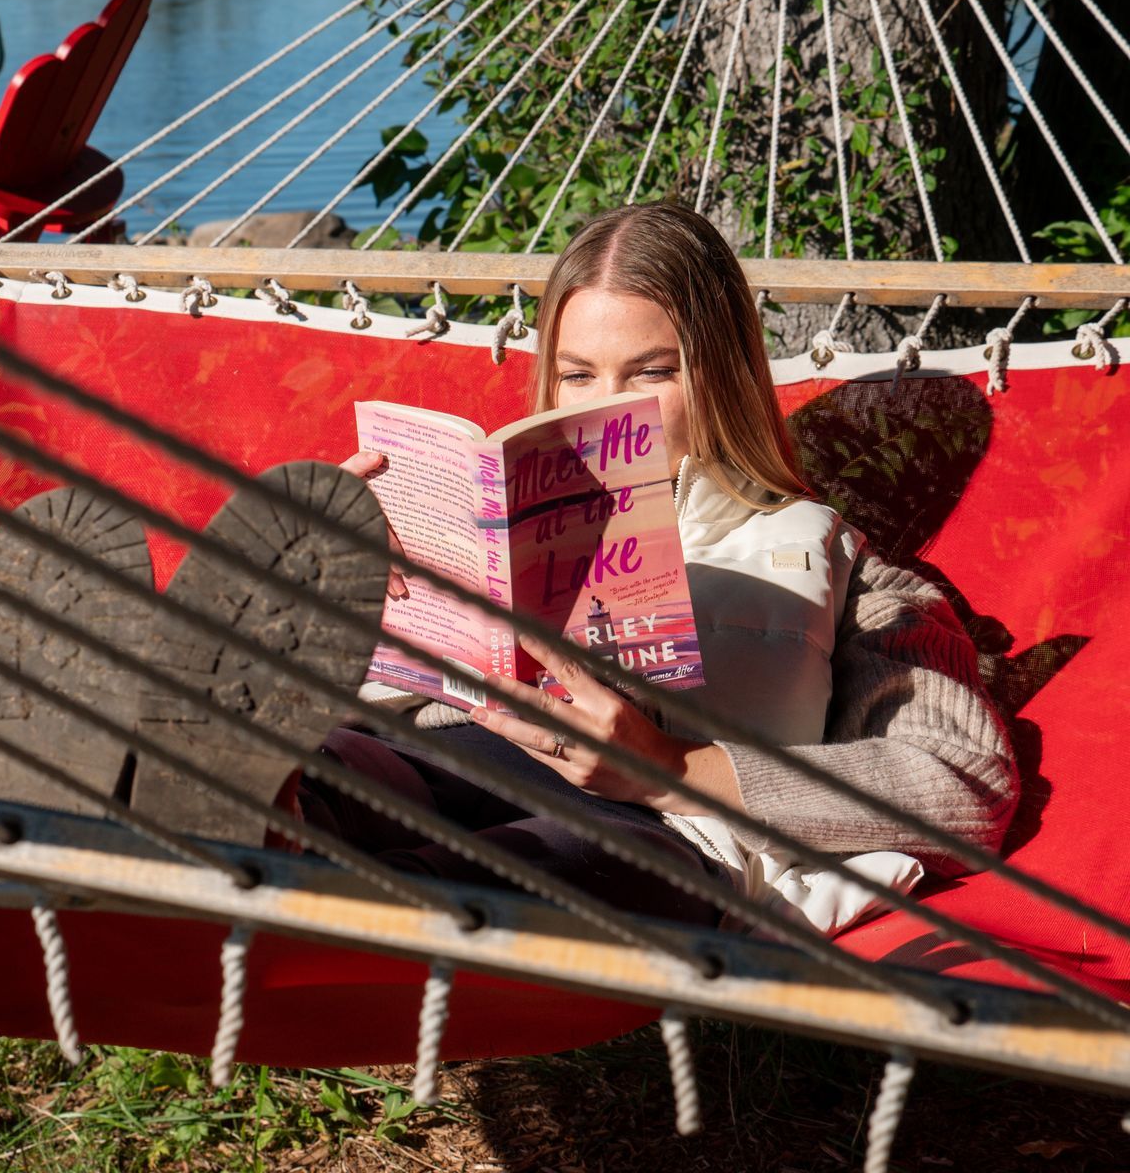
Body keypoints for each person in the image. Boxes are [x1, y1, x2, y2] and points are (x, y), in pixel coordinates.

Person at [310, 200, 1019, 932]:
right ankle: (264, 817)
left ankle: (353, 913)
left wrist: (670, 769)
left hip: (648, 835)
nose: (606, 412)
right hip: (433, 765)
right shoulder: (480, 524)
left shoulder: (862, 581)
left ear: (723, 378)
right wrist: (347, 587)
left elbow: (964, 789)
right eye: (577, 375)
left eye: (650, 372)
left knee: (591, 855)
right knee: (329, 765)